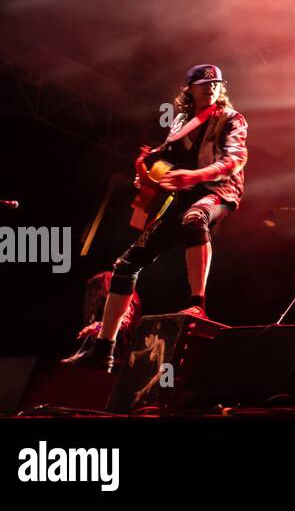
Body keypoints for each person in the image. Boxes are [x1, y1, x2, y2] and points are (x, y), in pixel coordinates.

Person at [64, 64, 248, 371]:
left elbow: (235, 159)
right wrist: (149, 173)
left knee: (194, 218)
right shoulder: (180, 122)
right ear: (189, 89)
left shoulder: (231, 119)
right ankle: (103, 348)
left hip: (221, 190)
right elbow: (168, 160)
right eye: (204, 83)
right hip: (187, 193)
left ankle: (197, 305)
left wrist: (195, 176)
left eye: (215, 83)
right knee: (125, 266)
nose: (210, 88)